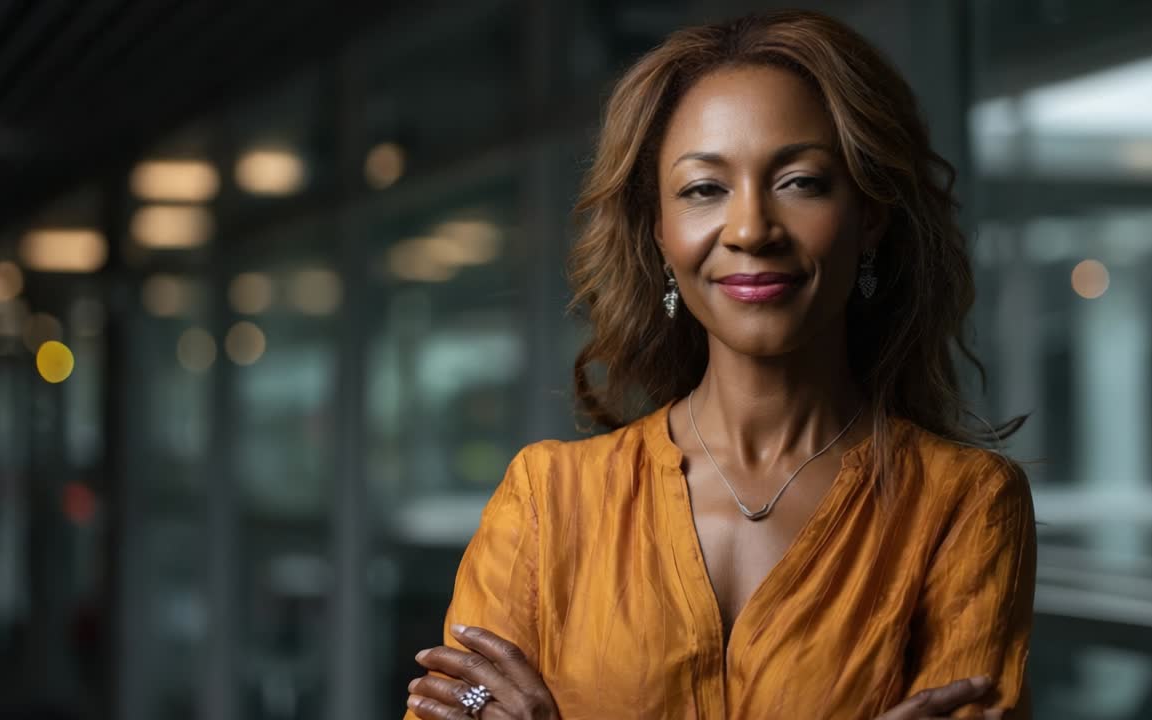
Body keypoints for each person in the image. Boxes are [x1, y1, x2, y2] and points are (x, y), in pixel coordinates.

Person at [404, 10, 1035, 720]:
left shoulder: (966, 506)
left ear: (870, 216)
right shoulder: (548, 501)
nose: (750, 230)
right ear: (660, 232)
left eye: (800, 181)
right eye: (705, 189)